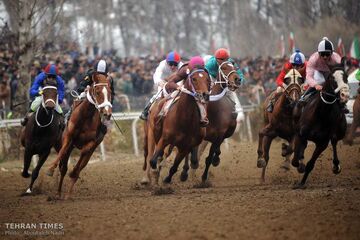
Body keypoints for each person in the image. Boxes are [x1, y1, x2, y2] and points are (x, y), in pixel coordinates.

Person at [299, 37, 349, 112]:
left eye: (327, 54)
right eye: (322, 54)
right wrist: (316, 85)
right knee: (320, 80)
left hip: (330, 72)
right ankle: (304, 96)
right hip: (318, 72)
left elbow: (341, 73)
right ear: (318, 53)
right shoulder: (313, 59)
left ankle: (342, 103)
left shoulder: (336, 58)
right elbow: (309, 76)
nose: (325, 57)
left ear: (332, 53)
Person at [163, 55, 210, 126]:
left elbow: (208, 85)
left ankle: (203, 118)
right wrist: (179, 87)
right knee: (172, 97)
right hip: (184, 88)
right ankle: (162, 114)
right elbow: (170, 83)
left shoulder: (205, 72)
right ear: (190, 68)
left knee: (203, 101)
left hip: (197, 91)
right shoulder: (184, 70)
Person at [139, 51, 183, 120]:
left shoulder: (181, 66)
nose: (173, 66)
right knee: (158, 95)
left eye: (175, 64)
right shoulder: (162, 64)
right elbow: (156, 75)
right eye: (170, 64)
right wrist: (159, 82)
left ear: (179, 63)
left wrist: (179, 86)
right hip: (163, 81)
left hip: (175, 82)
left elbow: (182, 78)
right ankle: (146, 111)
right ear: (167, 62)